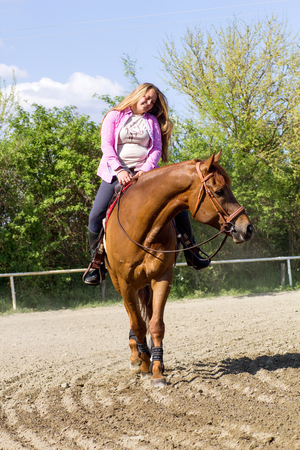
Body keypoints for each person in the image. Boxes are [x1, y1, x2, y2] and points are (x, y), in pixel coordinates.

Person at [84, 83, 210, 285]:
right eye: (147, 98)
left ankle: (192, 251)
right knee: (96, 215)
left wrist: (145, 170)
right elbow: (106, 146)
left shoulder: (151, 121)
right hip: (115, 174)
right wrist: (120, 170)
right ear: (137, 95)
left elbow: (156, 149)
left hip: (146, 175)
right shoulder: (114, 116)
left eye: (153, 101)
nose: (149, 103)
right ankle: (96, 264)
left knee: (178, 206)